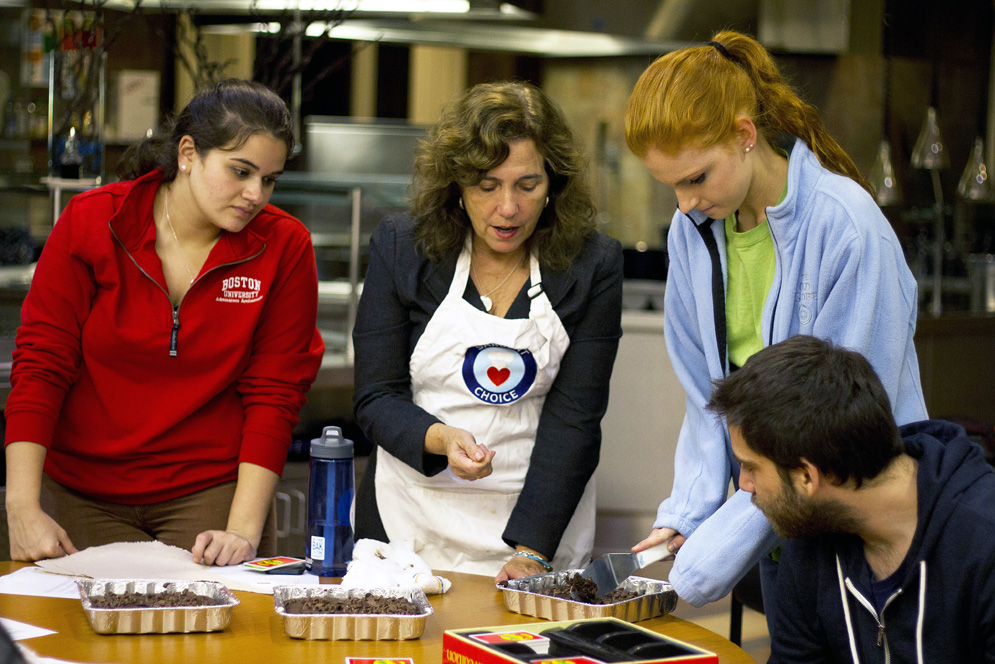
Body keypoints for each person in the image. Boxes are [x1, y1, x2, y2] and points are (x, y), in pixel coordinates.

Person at [623, 30, 928, 610]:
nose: (684, 204)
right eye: (671, 186)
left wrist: (712, 551)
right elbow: (706, 400)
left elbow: (836, 428)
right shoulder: (692, 235)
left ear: (744, 135)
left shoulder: (848, 228)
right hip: (774, 510)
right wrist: (687, 513)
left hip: (860, 514)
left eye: (696, 178)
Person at [4, 79, 324, 566]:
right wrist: (21, 507)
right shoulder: (94, 222)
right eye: (240, 171)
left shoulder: (284, 245)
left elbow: (276, 391)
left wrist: (241, 529)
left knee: (218, 641)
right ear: (189, 153)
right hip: (80, 492)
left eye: (270, 179)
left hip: (211, 495)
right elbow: (42, 362)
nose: (255, 194)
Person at [352, 80, 623, 581]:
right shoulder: (403, 249)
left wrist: (533, 550)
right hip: (409, 519)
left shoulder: (591, 265)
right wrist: (440, 437)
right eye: (487, 185)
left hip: (537, 523)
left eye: (527, 185)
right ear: (457, 184)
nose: (508, 208)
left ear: (553, 184)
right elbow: (376, 397)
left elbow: (575, 420)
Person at [707, 335, 995, 662]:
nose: (744, 484)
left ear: (807, 476)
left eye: (750, 467)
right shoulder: (809, 542)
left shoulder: (984, 543)